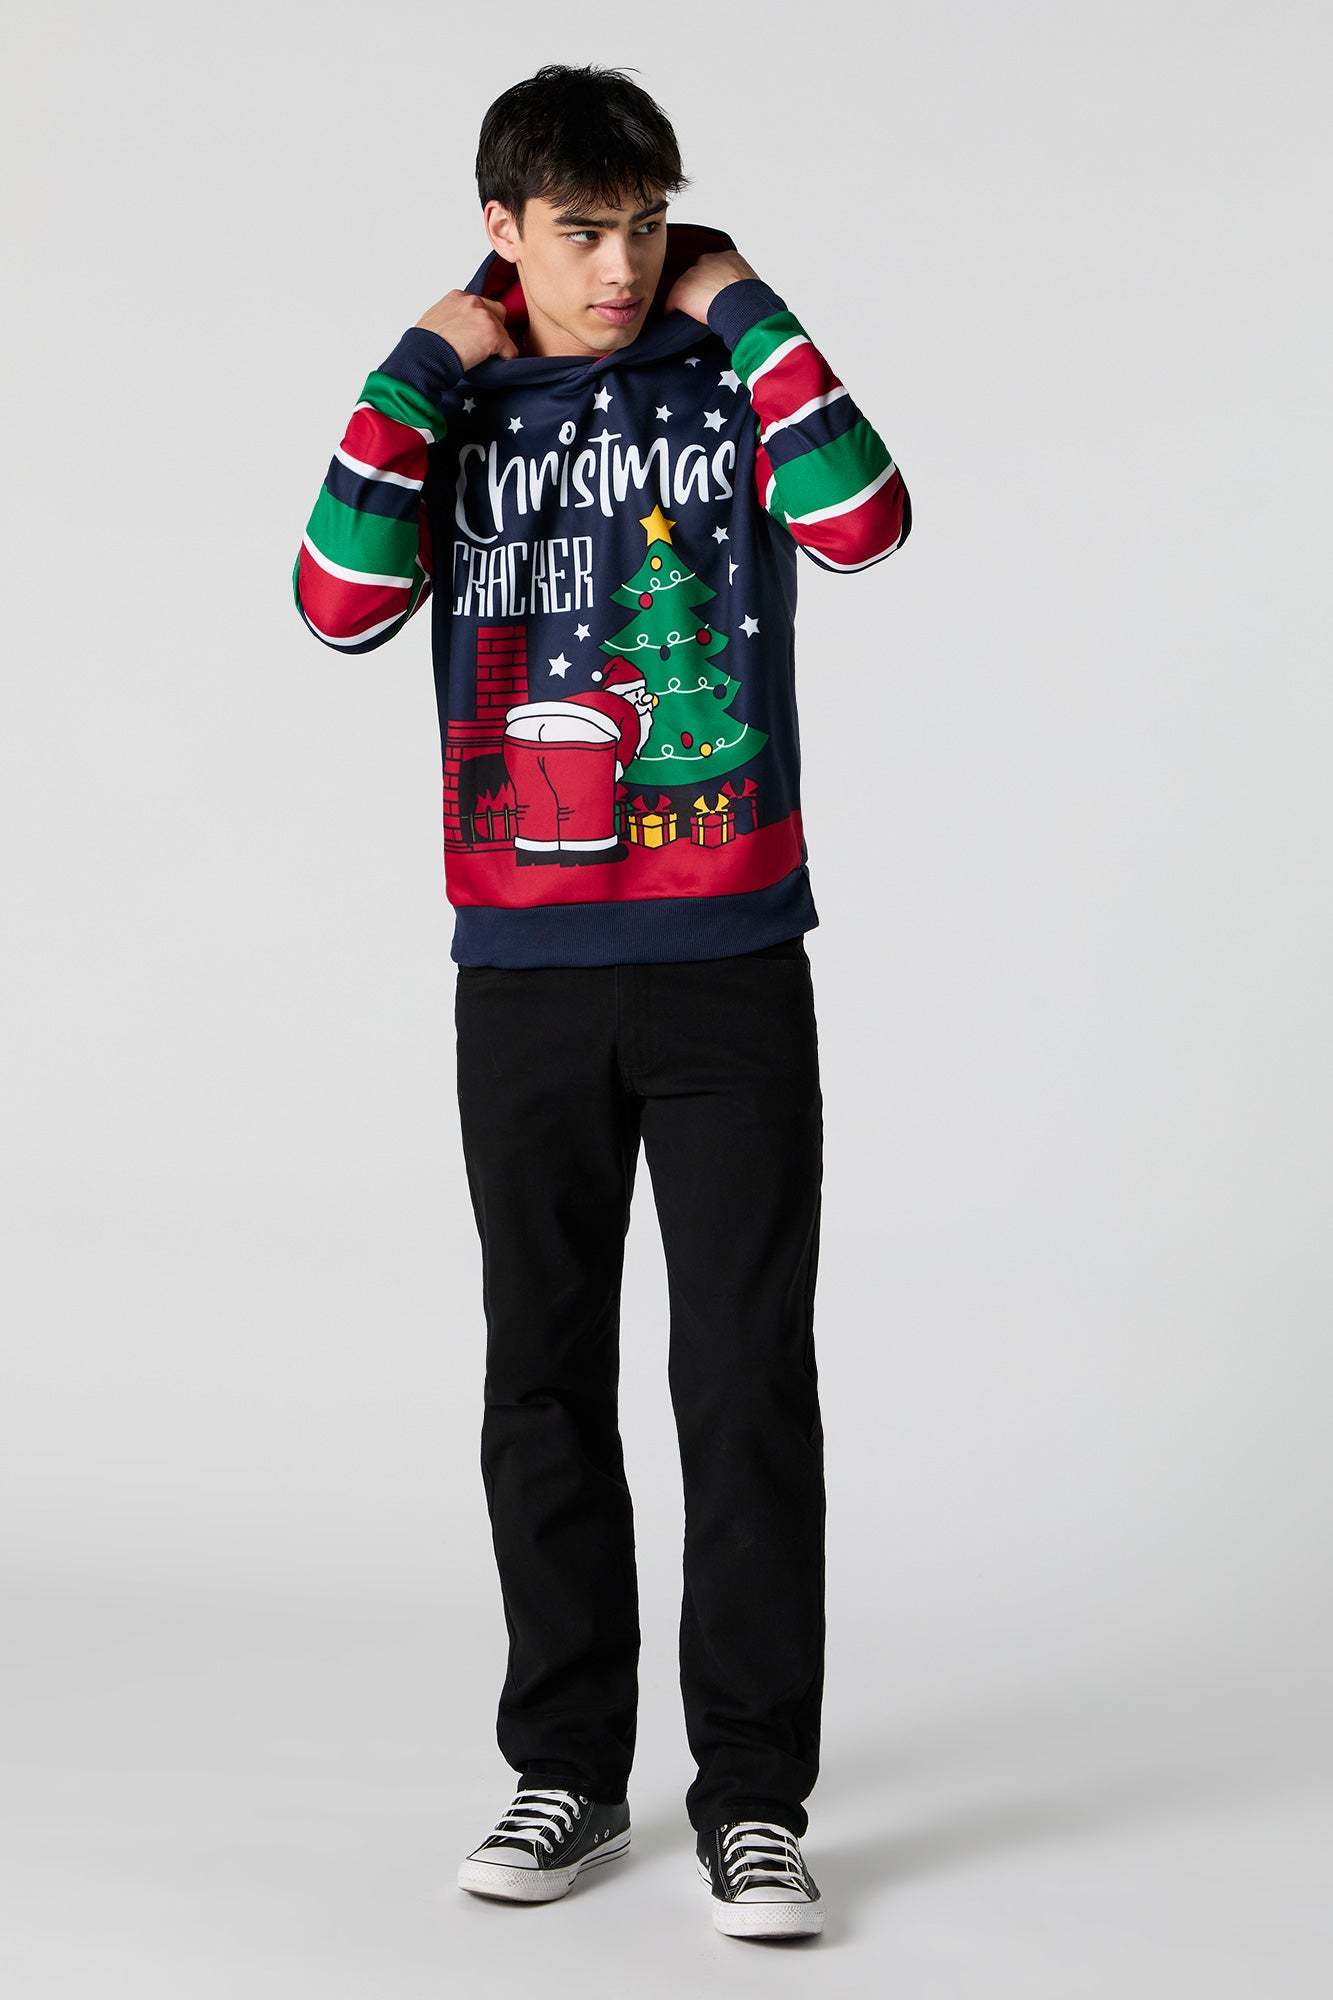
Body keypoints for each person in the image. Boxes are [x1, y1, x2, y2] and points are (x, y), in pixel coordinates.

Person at [292, 61, 912, 1941]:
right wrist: (425, 350)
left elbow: (864, 525)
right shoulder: (457, 404)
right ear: (503, 227)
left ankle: (755, 1800)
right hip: (526, 978)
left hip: (732, 963)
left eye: (645, 227)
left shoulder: (724, 380)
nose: (620, 266)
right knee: (542, 1379)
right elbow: (335, 602)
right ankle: (566, 1771)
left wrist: (748, 300)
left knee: (742, 1380)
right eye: (580, 232)